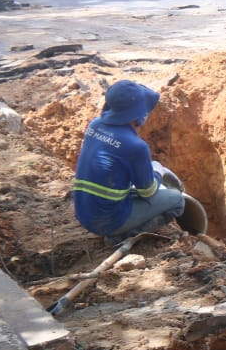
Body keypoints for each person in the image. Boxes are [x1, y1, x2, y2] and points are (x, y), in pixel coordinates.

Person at [72, 80, 186, 243]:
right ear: (138, 115)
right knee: (177, 200)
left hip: (83, 212)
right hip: (107, 221)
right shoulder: (136, 146)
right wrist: (158, 171)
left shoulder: (95, 125)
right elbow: (148, 192)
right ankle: (121, 236)